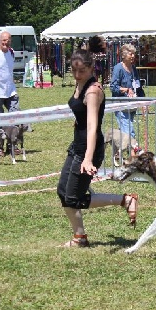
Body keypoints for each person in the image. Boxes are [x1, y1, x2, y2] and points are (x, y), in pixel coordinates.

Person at [58, 48, 139, 247]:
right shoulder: (80, 84)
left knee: (73, 198)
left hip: (89, 148)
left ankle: (125, 200)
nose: (77, 75)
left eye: (82, 71)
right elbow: (82, 116)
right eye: (74, 71)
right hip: (77, 145)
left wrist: (87, 159)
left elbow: (93, 126)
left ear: (91, 68)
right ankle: (80, 237)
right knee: (63, 192)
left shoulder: (93, 91)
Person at [109, 43, 141, 142]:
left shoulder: (133, 68)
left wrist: (144, 102)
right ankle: (133, 153)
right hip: (120, 105)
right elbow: (113, 87)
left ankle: (119, 152)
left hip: (131, 104)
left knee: (125, 129)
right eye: (130, 54)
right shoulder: (118, 68)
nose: (133, 56)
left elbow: (138, 86)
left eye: (133, 54)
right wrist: (126, 89)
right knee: (129, 131)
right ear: (123, 55)